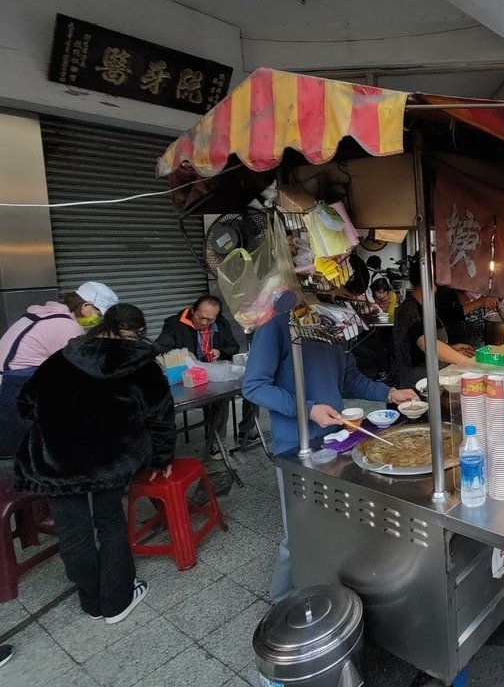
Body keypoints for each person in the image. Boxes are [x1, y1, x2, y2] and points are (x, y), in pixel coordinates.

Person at [242, 305, 418, 602]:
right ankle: (283, 602)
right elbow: (254, 386)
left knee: (335, 523)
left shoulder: (335, 318)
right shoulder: (276, 319)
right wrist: (308, 409)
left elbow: (348, 377)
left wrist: (388, 393)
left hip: (335, 439)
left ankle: (331, 593)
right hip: (296, 446)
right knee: (299, 530)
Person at [14, 304, 175, 624]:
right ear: (140, 332)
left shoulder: (60, 358)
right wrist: (162, 457)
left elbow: (24, 405)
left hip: (57, 461)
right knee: (109, 522)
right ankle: (117, 601)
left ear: (101, 325)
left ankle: (91, 599)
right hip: (110, 459)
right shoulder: (143, 366)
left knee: (72, 532)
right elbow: (160, 417)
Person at [0, 282, 118, 457]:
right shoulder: (65, 325)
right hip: (15, 389)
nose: (98, 320)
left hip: (11, 384)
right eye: (98, 313)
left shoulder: (46, 315)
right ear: (86, 306)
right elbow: (79, 370)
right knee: (25, 453)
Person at [154, 295, 252, 458]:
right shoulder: (174, 325)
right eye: (201, 318)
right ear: (193, 311)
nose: (205, 323)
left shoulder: (221, 324)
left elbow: (233, 346)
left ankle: (246, 431)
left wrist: (220, 352)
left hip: (214, 373)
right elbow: (160, 347)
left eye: (210, 320)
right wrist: (182, 353)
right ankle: (216, 443)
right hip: (188, 378)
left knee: (250, 388)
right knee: (219, 400)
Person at [392, 258, 477, 388]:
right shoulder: (409, 309)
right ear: (428, 279)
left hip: (434, 371)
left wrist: (451, 348)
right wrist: (469, 363)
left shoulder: (426, 305)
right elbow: (427, 343)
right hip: (419, 379)